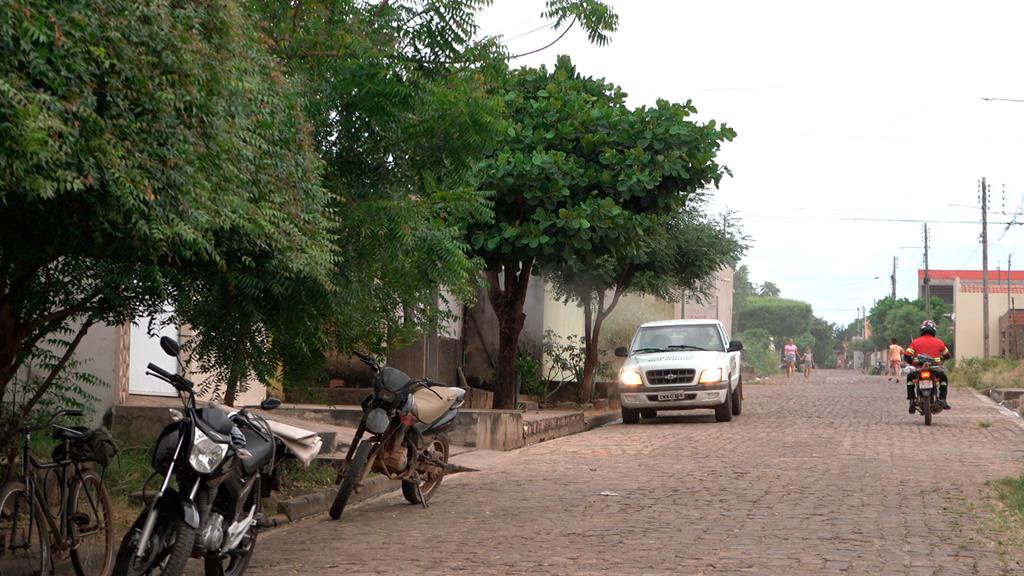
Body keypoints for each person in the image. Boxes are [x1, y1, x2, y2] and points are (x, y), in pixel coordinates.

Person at [903, 320, 952, 413]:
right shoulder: (939, 342)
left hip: (919, 369)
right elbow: (947, 355)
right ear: (934, 330)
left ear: (922, 330)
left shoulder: (915, 342)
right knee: (944, 379)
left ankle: (912, 399)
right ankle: (943, 399)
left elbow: (907, 355)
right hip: (935, 370)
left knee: (909, 378)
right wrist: (941, 360)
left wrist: (912, 363)